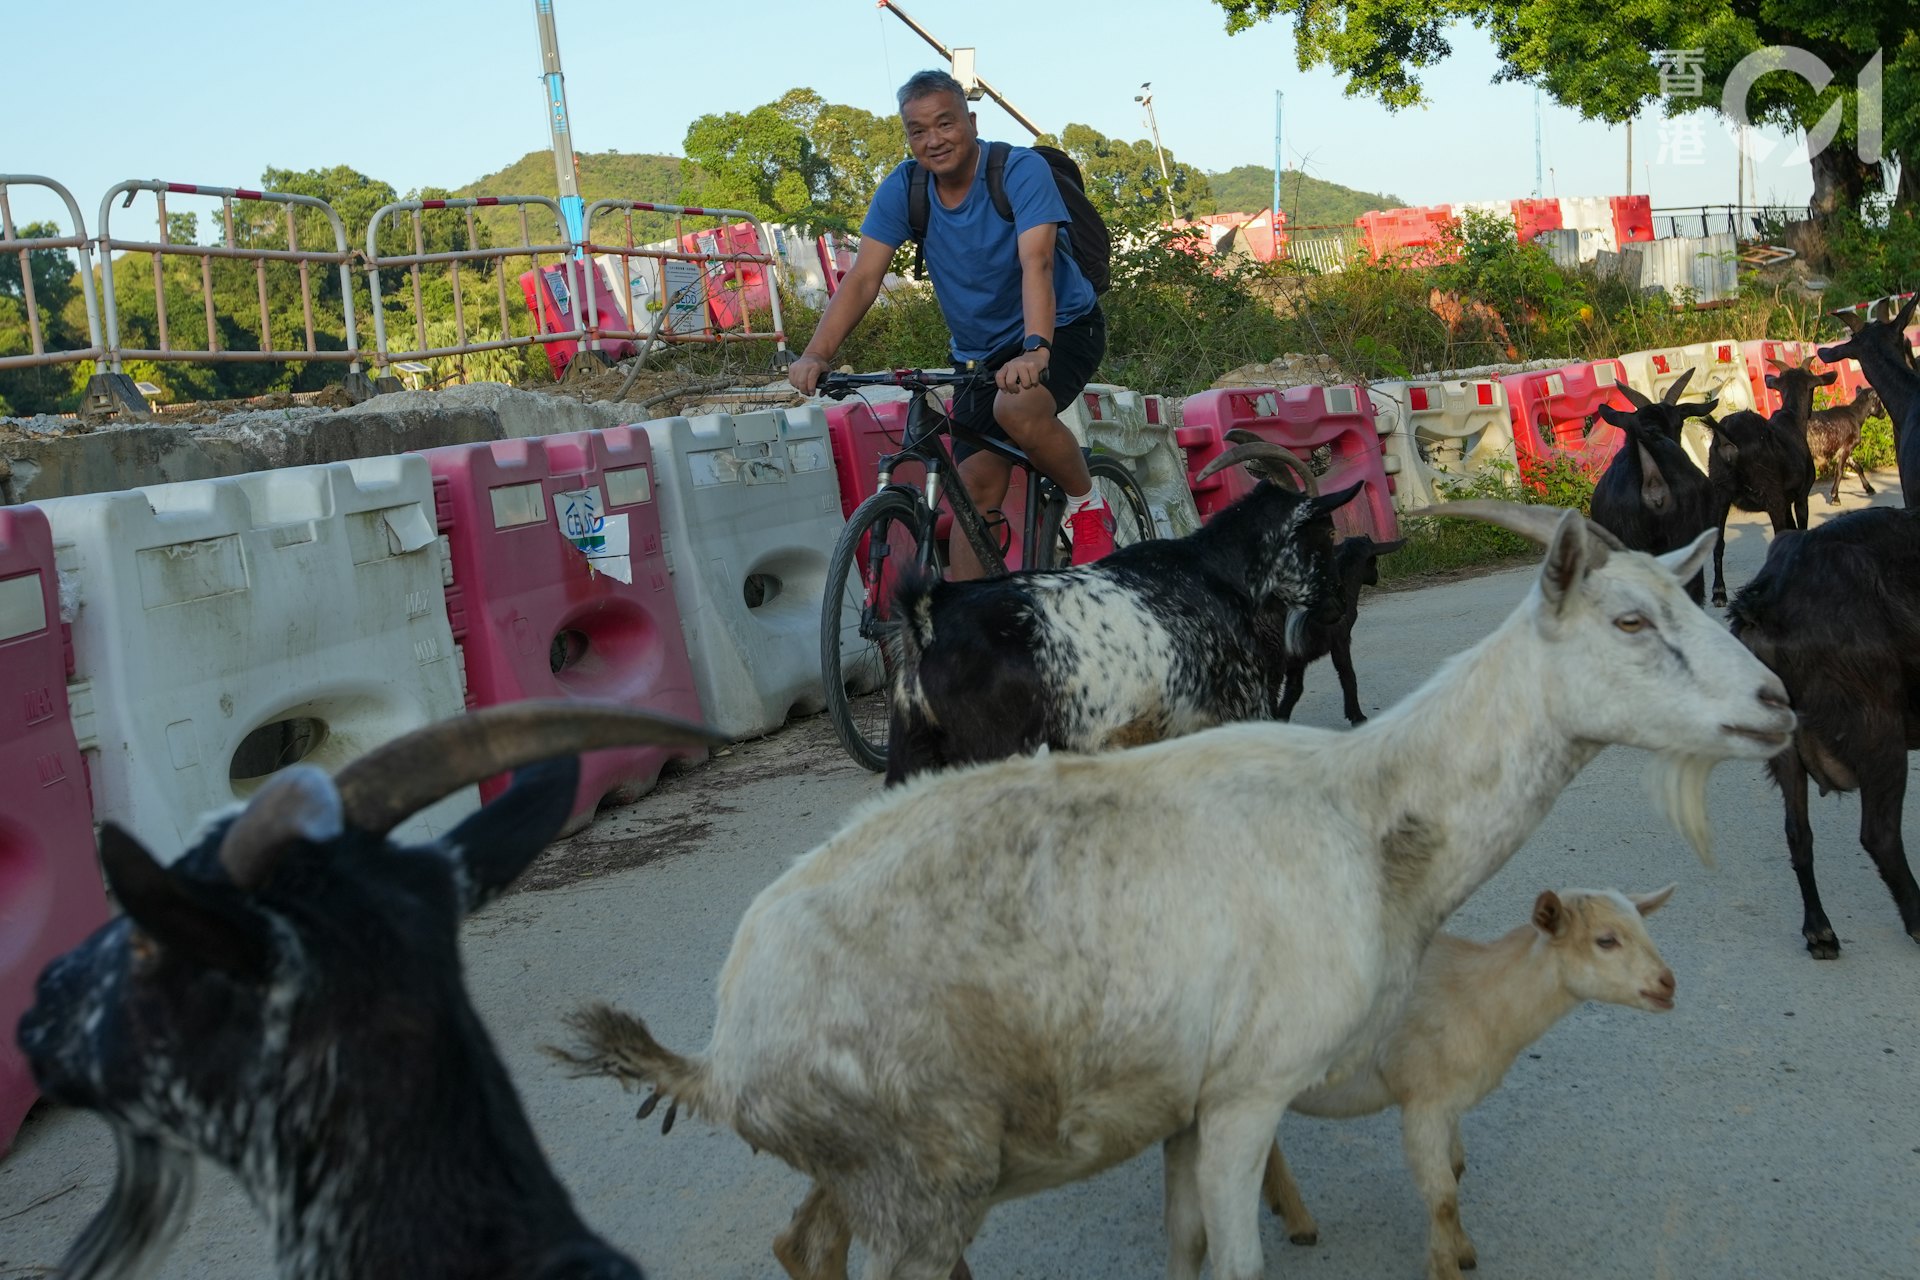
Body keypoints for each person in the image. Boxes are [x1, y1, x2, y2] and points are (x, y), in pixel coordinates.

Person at [787, 69, 1114, 575]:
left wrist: (1035, 349)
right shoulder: (906, 188)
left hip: (1062, 325)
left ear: (972, 120)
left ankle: (1087, 505)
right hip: (978, 353)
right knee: (974, 493)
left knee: (1019, 408)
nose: (933, 139)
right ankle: (963, 636)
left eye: (945, 123)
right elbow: (862, 278)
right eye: (918, 130)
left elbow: (1038, 263)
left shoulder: (1018, 171)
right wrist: (816, 353)